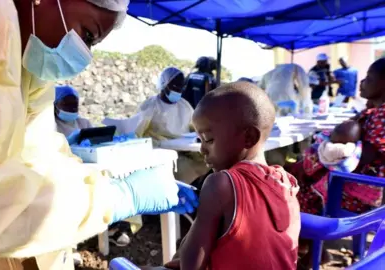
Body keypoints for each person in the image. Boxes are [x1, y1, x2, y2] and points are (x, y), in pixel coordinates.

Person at [0, 1, 198, 269]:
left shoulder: (26, 55)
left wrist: (103, 184)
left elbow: (41, 156)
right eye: (87, 34)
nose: (85, 55)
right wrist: (118, 197)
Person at [179, 82, 300, 270]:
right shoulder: (288, 183)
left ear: (249, 137)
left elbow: (190, 266)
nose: (202, 149)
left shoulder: (221, 184)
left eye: (209, 139)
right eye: (199, 140)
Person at [288, 58, 385, 266]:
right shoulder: (376, 112)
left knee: (296, 190)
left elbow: (363, 160)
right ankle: (311, 248)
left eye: (368, 78)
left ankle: (310, 250)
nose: (362, 83)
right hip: (364, 184)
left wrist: (319, 163)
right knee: (299, 173)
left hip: (364, 193)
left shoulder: (381, 116)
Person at [136, 67, 208, 184]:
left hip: (185, 148)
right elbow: (137, 132)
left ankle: (200, 187)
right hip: (162, 150)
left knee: (208, 159)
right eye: (175, 87)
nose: (178, 91)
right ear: (164, 84)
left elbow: (195, 127)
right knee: (183, 168)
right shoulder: (151, 105)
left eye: (180, 88)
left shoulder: (184, 106)